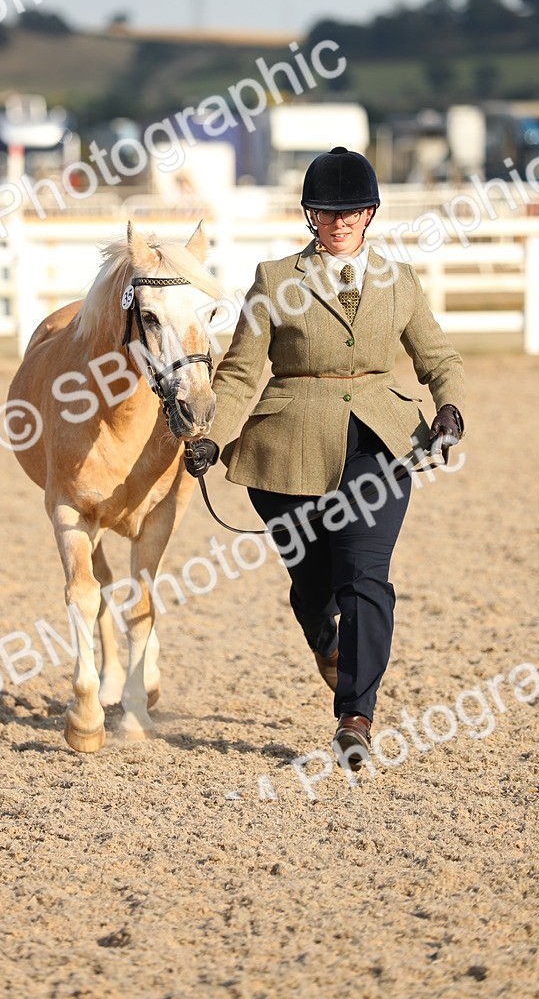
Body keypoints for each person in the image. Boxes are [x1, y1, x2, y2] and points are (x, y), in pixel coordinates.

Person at [185, 146, 465, 766]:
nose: (337, 222)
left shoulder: (400, 280)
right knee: (314, 586)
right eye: (324, 211)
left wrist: (449, 407)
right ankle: (319, 629)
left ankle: (355, 718)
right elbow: (239, 372)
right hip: (287, 447)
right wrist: (212, 432)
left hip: (382, 440)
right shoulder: (275, 279)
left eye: (350, 211)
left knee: (365, 575)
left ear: (369, 214)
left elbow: (438, 358)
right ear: (309, 215)